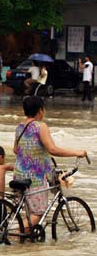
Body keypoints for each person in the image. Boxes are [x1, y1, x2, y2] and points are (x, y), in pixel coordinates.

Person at [13, 96, 87, 229]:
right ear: (40, 110)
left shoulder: (19, 127)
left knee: (29, 214)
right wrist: (77, 152)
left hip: (18, 174)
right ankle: (11, 234)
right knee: (38, 213)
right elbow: (52, 149)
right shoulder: (41, 126)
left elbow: (15, 150)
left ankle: (25, 243)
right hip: (35, 178)